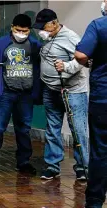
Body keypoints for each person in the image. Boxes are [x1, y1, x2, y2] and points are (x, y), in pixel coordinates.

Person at [32, 9, 89, 180]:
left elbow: (83, 59)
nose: (41, 31)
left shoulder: (71, 37)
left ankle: (83, 167)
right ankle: (52, 165)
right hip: (51, 90)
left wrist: (66, 67)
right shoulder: (49, 37)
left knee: (78, 130)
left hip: (73, 91)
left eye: (44, 27)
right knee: (52, 128)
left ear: (55, 23)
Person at [0, 14, 42, 174]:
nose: (21, 33)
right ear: (12, 28)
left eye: (25, 31)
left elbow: (38, 70)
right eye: (18, 30)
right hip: (4, 94)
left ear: (30, 30)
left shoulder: (35, 45)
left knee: (24, 129)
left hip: (25, 94)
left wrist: (36, 93)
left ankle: (23, 162)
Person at [74, 15, 107, 207]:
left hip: (103, 97)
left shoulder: (99, 24)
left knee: (100, 151)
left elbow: (81, 54)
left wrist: (90, 60)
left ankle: (95, 201)